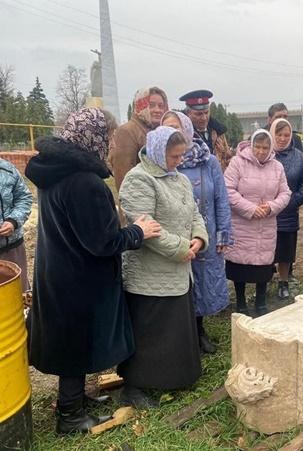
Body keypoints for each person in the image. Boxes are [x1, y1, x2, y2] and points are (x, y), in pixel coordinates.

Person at [25, 108, 161, 434]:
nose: (113, 144)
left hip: (58, 271)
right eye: (110, 137)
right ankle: (70, 415)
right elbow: (102, 242)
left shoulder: (54, 173)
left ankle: (76, 399)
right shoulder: (84, 182)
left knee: (72, 340)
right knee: (77, 343)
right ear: (97, 138)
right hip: (79, 279)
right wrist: (139, 231)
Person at [117, 126, 209, 408]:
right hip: (150, 273)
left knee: (172, 328)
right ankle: (135, 386)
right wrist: (182, 248)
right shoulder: (138, 180)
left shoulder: (179, 178)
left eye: (181, 155)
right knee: (149, 331)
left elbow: (194, 212)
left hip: (179, 270)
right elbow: (147, 229)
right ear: (158, 152)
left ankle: (173, 377)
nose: (179, 161)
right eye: (174, 156)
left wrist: (198, 238)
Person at [161, 111, 232, 354]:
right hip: (174, 235)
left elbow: (221, 198)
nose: (173, 132)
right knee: (180, 283)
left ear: (188, 129)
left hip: (206, 231)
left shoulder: (208, 160)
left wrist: (223, 232)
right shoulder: (163, 162)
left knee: (202, 282)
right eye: (167, 127)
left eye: (177, 127)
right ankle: (183, 335)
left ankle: (199, 331)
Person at [224, 130, 291, 316]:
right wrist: (251, 209)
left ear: (271, 148)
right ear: (251, 145)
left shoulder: (277, 167)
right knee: (240, 264)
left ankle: (261, 301)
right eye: (258, 147)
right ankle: (241, 301)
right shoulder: (237, 163)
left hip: (266, 224)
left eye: (265, 147)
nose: (261, 151)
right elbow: (227, 190)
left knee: (263, 265)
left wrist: (271, 207)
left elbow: (285, 193)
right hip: (242, 223)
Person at [269, 118, 303, 299]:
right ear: (272, 134)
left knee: (285, 252)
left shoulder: (298, 156)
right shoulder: (265, 153)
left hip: (288, 213)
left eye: (286, 135)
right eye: (279, 134)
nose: (282, 138)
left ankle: (283, 282)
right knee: (267, 250)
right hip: (267, 213)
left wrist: (295, 200)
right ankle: (263, 282)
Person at [108, 86, 168, 191]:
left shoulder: (159, 131)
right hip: (140, 200)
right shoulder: (127, 131)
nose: (157, 110)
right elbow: (124, 177)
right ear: (141, 105)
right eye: (151, 105)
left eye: (161, 106)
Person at [0, 157, 32, 292]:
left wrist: (13, 221)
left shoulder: (7, 170)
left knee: (18, 294)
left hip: (11, 247)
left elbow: (24, 197)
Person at [180, 89, 233, 171]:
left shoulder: (218, 132)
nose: (204, 118)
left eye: (206, 112)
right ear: (188, 113)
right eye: (199, 114)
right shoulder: (182, 135)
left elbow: (228, 159)